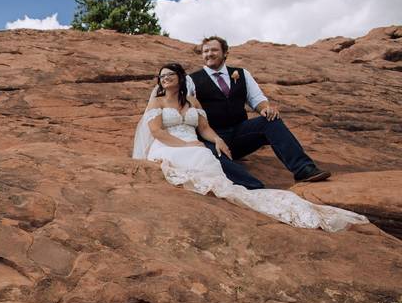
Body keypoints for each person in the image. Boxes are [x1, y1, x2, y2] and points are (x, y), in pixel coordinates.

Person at [132, 63, 367, 232]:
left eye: (170, 74)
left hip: (207, 139)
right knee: (203, 159)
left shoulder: (193, 100)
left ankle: (299, 171)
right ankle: (250, 187)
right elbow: (156, 132)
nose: (165, 78)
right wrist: (188, 143)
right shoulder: (157, 101)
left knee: (212, 151)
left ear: (180, 78)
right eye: (162, 76)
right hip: (169, 145)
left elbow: (203, 127)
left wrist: (217, 140)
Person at [185, 35, 329, 190]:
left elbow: (257, 99)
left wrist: (265, 108)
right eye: (205, 51)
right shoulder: (191, 80)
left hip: (240, 135)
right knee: (209, 155)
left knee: (271, 121)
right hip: (213, 138)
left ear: (225, 53)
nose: (209, 54)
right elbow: (184, 109)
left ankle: (303, 169)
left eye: (214, 50)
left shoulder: (241, 74)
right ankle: (254, 187)